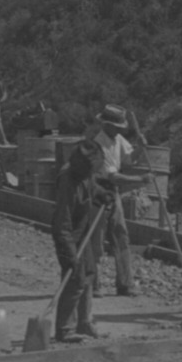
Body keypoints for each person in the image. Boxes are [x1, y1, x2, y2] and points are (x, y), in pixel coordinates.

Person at [50, 144, 114, 341]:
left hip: (82, 232)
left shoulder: (85, 173)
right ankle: (65, 329)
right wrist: (69, 253)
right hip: (68, 236)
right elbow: (62, 223)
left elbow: (92, 186)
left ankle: (84, 323)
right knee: (74, 279)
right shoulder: (67, 181)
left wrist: (102, 194)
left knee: (88, 275)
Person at [88, 105, 137, 296]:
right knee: (96, 238)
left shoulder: (118, 140)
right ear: (106, 125)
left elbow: (129, 160)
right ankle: (93, 283)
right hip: (99, 190)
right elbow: (112, 176)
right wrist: (139, 181)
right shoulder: (99, 143)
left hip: (113, 192)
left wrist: (140, 148)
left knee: (121, 235)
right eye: (116, 126)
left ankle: (125, 283)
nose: (119, 130)